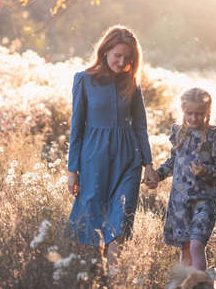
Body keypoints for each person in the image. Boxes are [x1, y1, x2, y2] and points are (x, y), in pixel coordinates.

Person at [66, 26, 158, 273]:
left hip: (128, 159)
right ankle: (97, 276)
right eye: (118, 55)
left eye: (128, 58)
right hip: (93, 159)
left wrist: (148, 164)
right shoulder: (84, 79)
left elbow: (140, 126)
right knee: (94, 222)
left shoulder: (132, 82)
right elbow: (77, 128)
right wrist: (72, 169)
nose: (123, 62)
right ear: (105, 51)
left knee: (120, 222)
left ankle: (115, 279)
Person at [153, 87, 216, 271]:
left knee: (196, 245)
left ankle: (202, 284)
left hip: (204, 202)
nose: (194, 118)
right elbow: (173, 161)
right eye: (189, 113)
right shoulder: (179, 132)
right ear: (183, 110)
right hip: (180, 202)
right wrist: (157, 175)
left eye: (199, 113)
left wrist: (204, 171)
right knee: (185, 250)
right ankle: (187, 284)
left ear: (208, 112)